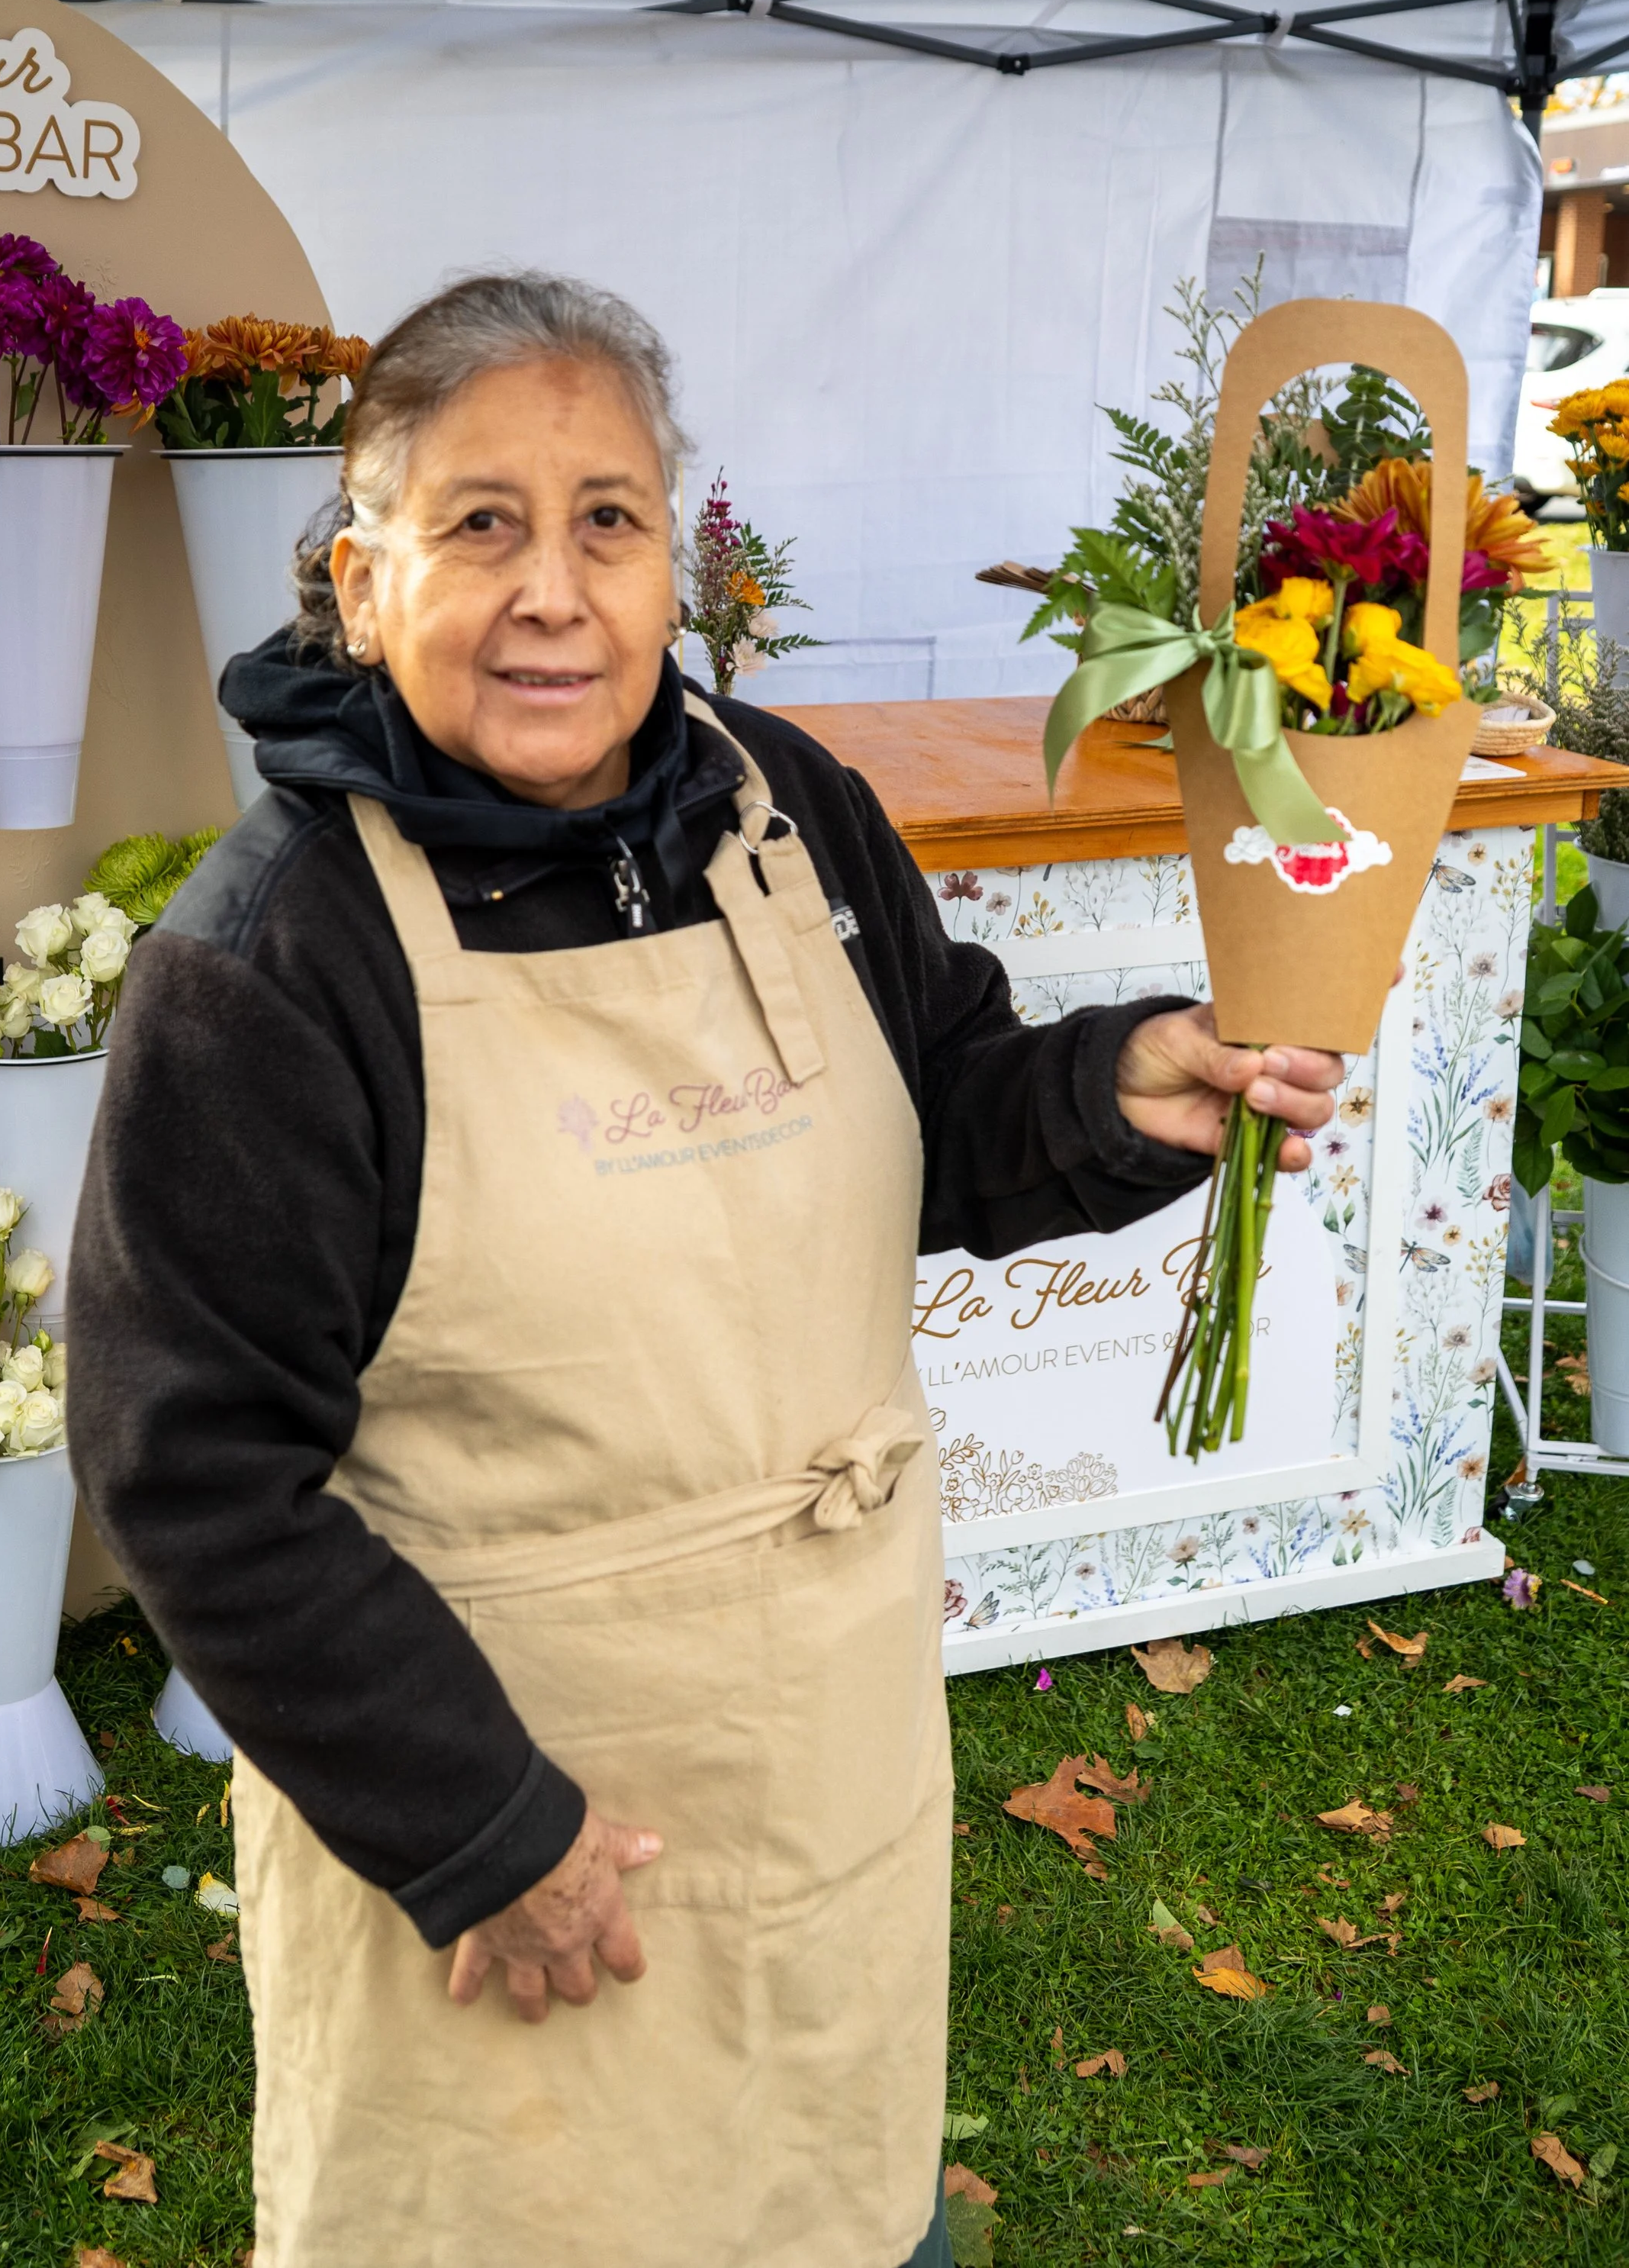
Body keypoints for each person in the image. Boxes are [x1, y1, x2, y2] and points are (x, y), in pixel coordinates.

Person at [68, 272, 1341, 2268]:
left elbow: (933, 1092)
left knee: (832, 2198)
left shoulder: (781, 805)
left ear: (676, 558)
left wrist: (1114, 1084)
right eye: (480, 520)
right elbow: (192, 1468)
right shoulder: (276, 960)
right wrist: (482, 1832)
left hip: (816, 1755)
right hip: (498, 1818)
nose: (554, 588)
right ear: (359, 570)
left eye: (608, 518)